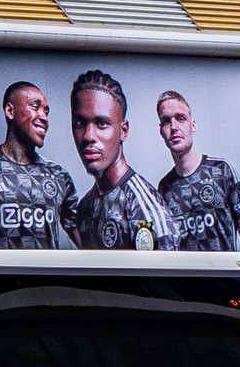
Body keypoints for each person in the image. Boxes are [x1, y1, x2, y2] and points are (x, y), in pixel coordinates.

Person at [63, 70, 175, 251]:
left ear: (123, 131)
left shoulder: (141, 206)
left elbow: (166, 276)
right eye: (79, 123)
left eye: (102, 124)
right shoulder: (84, 208)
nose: (88, 136)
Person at [0, 80, 77, 248]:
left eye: (46, 111)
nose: (43, 117)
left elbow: (86, 242)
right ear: (10, 111)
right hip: (0, 274)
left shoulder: (58, 175)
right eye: (35, 107)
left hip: (50, 274)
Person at [152, 90, 240, 252]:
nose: (174, 127)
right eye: (167, 121)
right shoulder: (164, 187)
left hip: (227, 276)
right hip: (189, 277)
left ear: (192, 125)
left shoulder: (222, 170)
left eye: (180, 118)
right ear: (161, 131)